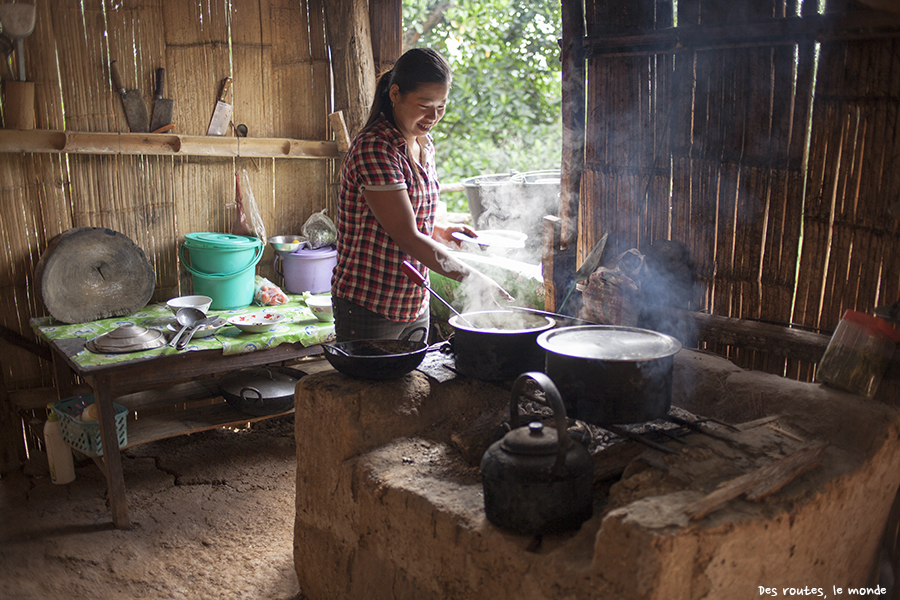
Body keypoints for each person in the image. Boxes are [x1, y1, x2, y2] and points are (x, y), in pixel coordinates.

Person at [331, 47, 513, 342]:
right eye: (424, 104)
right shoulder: (376, 148)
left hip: (413, 299)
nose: (434, 116)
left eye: (441, 106)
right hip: (369, 302)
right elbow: (406, 236)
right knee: (376, 387)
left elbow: (404, 218)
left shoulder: (423, 144)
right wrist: (473, 278)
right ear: (394, 94)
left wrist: (441, 230)